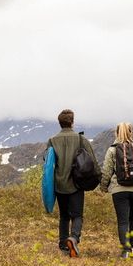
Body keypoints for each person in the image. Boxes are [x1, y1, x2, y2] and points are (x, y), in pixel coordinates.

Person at [99, 122, 133, 259]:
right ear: (131, 133)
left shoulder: (112, 150)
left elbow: (106, 171)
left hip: (119, 190)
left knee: (123, 221)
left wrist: (104, 187)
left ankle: (125, 251)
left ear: (116, 133)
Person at [47, 109, 96, 257]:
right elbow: (91, 161)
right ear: (72, 122)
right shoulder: (81, 140)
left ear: (60, 123)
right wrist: (98, 179)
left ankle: (63, 245)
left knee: (64, 216)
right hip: (76, 184)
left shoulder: (52, 140)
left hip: (59, 185)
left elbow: (48, 163)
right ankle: (73, 238)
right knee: (77, 216)